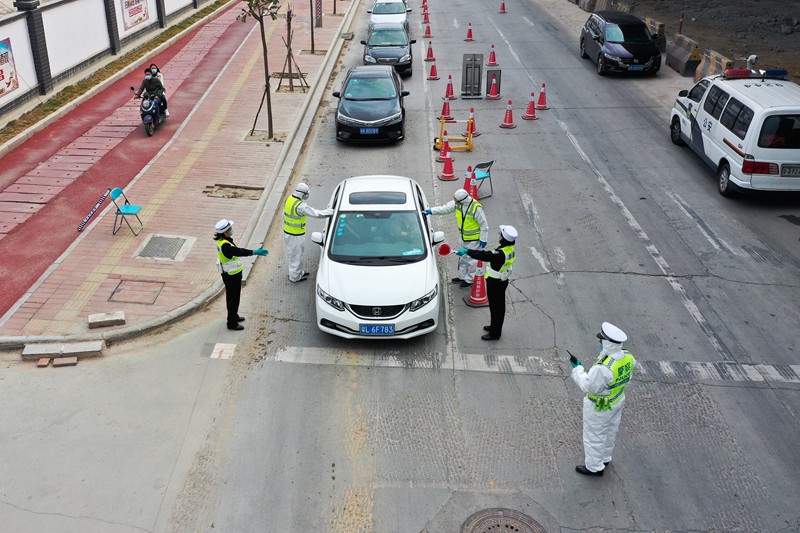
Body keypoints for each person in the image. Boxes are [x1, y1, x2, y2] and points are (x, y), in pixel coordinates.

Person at [569, 322, 636, 476]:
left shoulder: (603, 367)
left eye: (601, 340)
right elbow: (627, 377)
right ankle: (605, 458)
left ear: (607, 343)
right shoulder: (628, 357)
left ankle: (594, 467)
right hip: (617, 400)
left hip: (600, 405)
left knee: (594, 436)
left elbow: (589, 387)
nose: (599, 342)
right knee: (610, 431)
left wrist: (577, 369)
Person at [456, 225, 517, 340]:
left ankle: (495, 334)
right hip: (502, 281)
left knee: (496, 308)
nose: (499, 235)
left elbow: (484, 255)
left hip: (496, 283)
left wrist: (467, 251)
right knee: (498, 307)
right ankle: (494, 327)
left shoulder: (500, 254)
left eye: (500, 234)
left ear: (504, 238)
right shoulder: (509, 250)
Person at [423, 188, 488, 287]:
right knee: (462, 258)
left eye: (456, 199)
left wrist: (483, 239)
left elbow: (484, 225)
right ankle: (462, 277)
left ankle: (469, 280)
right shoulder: (458, 204)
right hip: (463, 237)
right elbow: (445, 208)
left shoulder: (476, 208)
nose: (454, 201)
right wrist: (431, 211)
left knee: (472, 261)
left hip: (474, 240)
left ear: (462, 200)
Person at [214, 219, 268, 330]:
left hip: (230, 274)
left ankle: (234, 316)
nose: (232, 230)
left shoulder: (224, 241)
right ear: (225, 232)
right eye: (230, 229)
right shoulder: (226, 245)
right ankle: (232, 323)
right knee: (233, 298)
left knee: (232, 297)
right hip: (231, 275)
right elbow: (238, 251)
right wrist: (254, 252)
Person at [283, 182, 334, 282]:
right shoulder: (300, 206)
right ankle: (294, 277)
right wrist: (330, 212)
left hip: (289, 233)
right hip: (295, 235)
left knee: (295, 254)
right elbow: (316, 213)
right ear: (302, 193)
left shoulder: (290, 199)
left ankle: (298, 272)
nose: (307, 196)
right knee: (295, 256)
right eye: (306, 194)